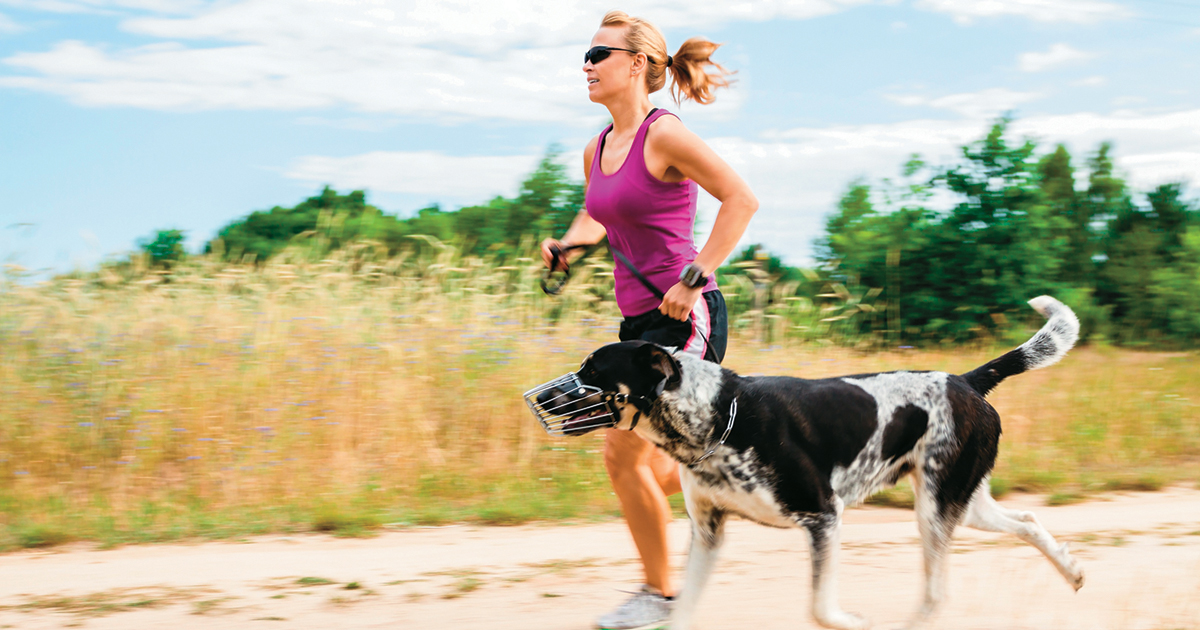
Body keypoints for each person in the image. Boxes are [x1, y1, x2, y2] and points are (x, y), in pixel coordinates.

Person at [539, 10, 758, 630]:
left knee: (620, 453)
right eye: (585, 55)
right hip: (637, 321)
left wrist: (696, 277)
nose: (586, 64)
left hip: (686, 314)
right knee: (650, 457)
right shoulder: (598, 146)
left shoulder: (665, 135)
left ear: (636, 63)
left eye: (597, 53)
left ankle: (658, 599)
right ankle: (721, 480)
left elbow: (741, 199)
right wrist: (569, 244)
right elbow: (600, 215)